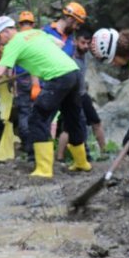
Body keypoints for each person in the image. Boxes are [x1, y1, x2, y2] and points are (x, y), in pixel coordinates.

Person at [0, 16, 89, 178]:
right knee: (72, 119)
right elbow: (59, 44)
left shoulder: (13, 44)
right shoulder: (35, 33)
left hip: (58, 77)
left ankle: (44, 169)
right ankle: (82, 163)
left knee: (38, 118)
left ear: (6, 31)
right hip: (73, 72)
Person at [56, 30, 107, 162]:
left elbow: (100, 55)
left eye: (88, 44)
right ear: (75, 41)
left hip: (83, 94)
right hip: (70, 96)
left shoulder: (85, 53)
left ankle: (104, 153)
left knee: (96, 122)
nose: (85, 46)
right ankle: (60, 157)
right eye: (82, 43)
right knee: (69, 127)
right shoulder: (69, 54)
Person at [14, 10, 38, 160]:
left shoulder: (16, 38)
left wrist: (14, 86)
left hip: (21, 79)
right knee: (37, 114)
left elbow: (12, 64)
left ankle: (28, 147)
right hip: (36, 78)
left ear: (19, 24)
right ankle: (37, 146)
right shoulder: (37, 35)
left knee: (24, 113)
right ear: (33, 23)